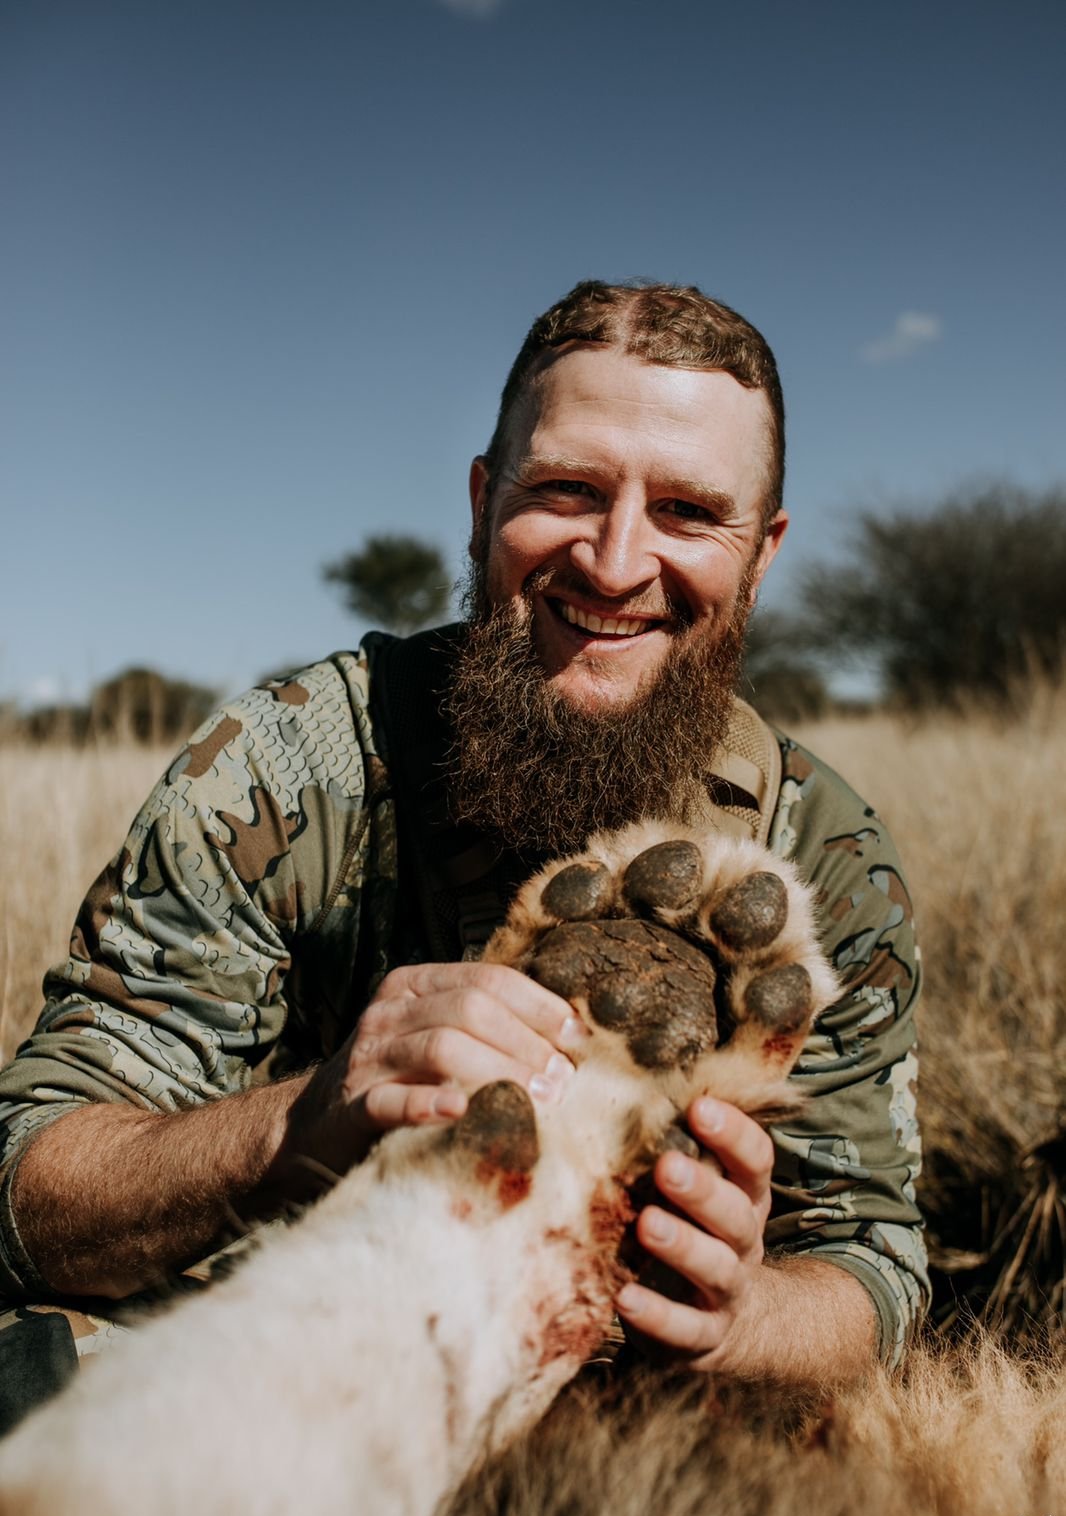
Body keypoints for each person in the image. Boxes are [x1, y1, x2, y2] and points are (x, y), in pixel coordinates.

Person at [0, 280, 927, 1390]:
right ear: (484, 501)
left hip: (629, 1410)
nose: (616, 561)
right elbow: (30, 1189)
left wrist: (743, 1317)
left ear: (763, 551)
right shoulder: (288, 770)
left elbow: (872, 1268)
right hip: (294, 1366)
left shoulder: (819, 854)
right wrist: (296, 1123)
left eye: (688, 511)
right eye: (567, 490)